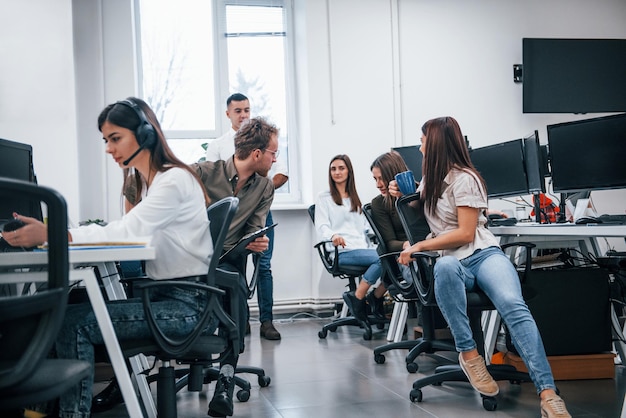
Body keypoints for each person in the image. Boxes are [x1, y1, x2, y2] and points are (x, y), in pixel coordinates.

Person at [3, 97, 242, 418]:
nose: (108, 148)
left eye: (115, 138)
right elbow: (130, 228)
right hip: (171, 297)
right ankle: (44, 408)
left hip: (185, 307)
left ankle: (70, 413)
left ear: (144, 135)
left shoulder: (172, 180)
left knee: (72, 325)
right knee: (66, 305)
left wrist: (52, 234)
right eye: (106, 140)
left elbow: (129, 231)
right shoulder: (152, 183)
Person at [393, 117, 571, 418]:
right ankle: (470, 354)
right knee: (445, 268)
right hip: (453, 262)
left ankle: (548, 393)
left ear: (435, 143)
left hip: (483, 254)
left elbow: (465, 233)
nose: (420, 146)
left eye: (423, 140)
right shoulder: (431, 180)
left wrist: (419, 246)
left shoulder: (466, 178)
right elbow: (428, 207)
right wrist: (402, 195)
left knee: (513, 306)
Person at [205, 93, 287, 340]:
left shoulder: (266, 147)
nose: (243, 114)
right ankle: (236, 318)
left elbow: (279, 174)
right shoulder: (218, 147)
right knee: (230, 265)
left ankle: (265, 321)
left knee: (262, 263)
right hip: (222, 223)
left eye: (247, 110)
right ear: (228, 113)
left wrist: (257, 188)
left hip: (258, 205)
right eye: (238, 110)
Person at [315, 154, 382, 323]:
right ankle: (359, 297)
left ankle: (373, 297)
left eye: (341, 168)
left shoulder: (356, 198)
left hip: (363, 248)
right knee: (383, 259)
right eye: (333, 169)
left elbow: (365, 227)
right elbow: (322, 226)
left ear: (349, 171)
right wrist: (333, 235)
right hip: (341, 251)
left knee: (392, 259)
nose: (337, 172)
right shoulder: (324, 198)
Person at [369, 151, 430, 318]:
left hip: (430, 248)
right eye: (375, 179)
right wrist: (406, 246)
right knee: (430, 275)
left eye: (381, 178)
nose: (378, 184)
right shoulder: (379, 204)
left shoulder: (419, 192)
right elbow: (388, 242)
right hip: (408, 257)